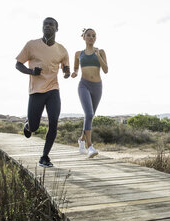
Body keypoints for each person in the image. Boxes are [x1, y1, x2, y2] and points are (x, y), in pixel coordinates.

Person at [15, 17, 70, 167]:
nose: (47, 26)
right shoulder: (31, 45)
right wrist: (31, 72)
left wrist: (66, 72)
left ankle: (44, 157)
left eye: (51, 24)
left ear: (56, 29)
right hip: (36, 91)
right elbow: (18, 64)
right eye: (45, 24)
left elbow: (65, 68)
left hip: (53, 90)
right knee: (34, 127)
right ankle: (28, 125)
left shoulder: (62, 50)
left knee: (54, 122)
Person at [71, 28, 108, 158]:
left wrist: (98, 56)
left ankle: (81, 139)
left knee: (90, 116)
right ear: (84, 37)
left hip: (97, 86)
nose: (91, 37)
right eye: (89, 35)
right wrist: (75, 72)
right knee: (89, 113)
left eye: (94, 36)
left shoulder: (101, 51)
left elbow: (106, 70)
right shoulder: (78, 54)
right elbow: (75, 67)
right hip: (84, 85)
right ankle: (90, 146)